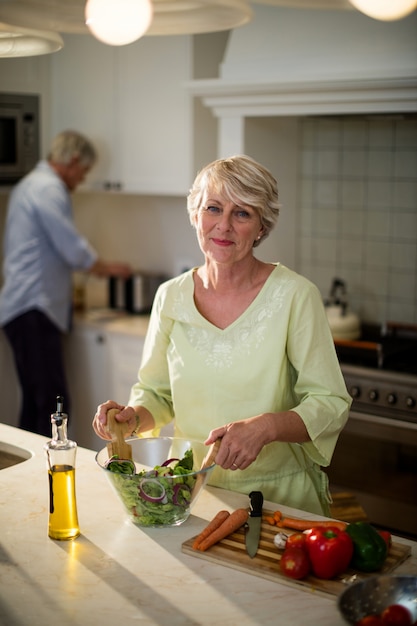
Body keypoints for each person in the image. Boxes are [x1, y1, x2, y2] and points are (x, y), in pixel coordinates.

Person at [92, 155, 351, 516]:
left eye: (242, 213)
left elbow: (330, 403)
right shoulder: (170, 296)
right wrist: (131, 418)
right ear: (196, 216)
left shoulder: (295, 296)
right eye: (213, 208)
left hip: (278, 500)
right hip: (189, 493)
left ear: (262, 226)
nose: (223, 226)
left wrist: (266, 427)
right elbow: (157, 393)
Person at [0, 130, 132, 436]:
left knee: (37, 404)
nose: (81, 179)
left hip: (24, 307)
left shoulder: (30, 184)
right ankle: (49, 474)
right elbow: (70, 245)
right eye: (83, 171)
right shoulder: (48, 188)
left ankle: (31, 475)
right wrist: (104, 268)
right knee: (53, 406)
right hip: (33, 307)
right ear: (73, 161)